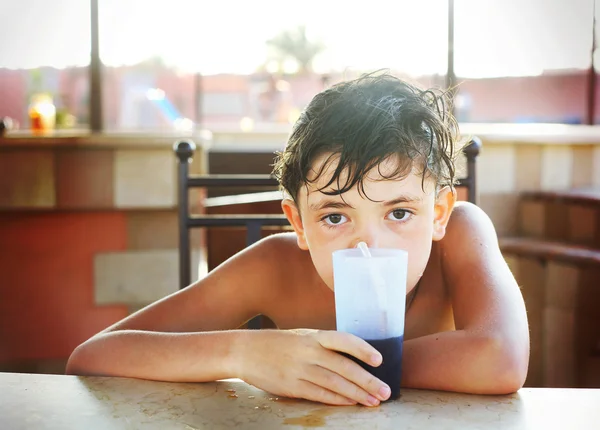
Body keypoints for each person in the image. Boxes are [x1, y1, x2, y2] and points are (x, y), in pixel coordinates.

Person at [67, 72, 530, 407]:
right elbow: (93, 357)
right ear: (299, 224)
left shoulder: (461, 235)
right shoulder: (274, 266)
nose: (367, 244)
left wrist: (340, 367)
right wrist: (244, 352)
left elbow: (501, 357)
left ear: (439, 213)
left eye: (400, 212)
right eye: (334, 217)